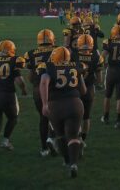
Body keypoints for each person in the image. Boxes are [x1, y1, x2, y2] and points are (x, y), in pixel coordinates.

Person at [38, 46, 86, 178]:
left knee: (60, 136)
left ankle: (66, 161)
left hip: (56, 105)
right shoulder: (76, 66)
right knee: (73, 136)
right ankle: (74, 164)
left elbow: (43, 82)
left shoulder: (48, 66)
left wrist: (45, 103)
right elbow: (83, 91)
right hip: (74, 103)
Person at [24, 29, 56, 156]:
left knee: (43, 118)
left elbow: (31, 77)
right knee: (57, 117)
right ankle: (52, 138)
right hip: (54, 89)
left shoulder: (31, 53)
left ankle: (44, 149)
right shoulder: (57, 51)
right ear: (52, 39)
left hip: (38, 89)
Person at [100, 25, 120, 128]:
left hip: (111, 71)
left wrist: (104, 64)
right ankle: (118, 121)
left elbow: (103, 56)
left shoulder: (109, 42)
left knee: (107, 96)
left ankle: (106, 117)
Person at [74, 34, 102, 147]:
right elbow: (99, 78)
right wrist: (96, 83)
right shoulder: (96, 55)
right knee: (86, 116)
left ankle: (78, 137)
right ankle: (83, 140)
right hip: (89, 88)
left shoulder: (73, 54)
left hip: (75, 88)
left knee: (75, 116)